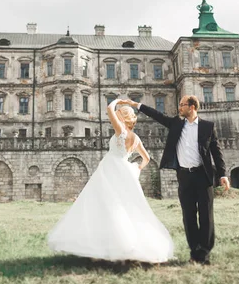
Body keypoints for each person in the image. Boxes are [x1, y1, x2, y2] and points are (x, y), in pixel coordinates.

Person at [47, 99, 174, 263]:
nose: (117, 115)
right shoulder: (135, 138)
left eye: (120, 114)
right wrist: (137, 168)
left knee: (102, 203)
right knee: (122, 205)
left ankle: (101, 245)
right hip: (124, 169)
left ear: (123, 117)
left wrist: (117, 102)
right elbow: (147, 158)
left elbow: (108, 108)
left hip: (110, 167)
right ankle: (122, 245)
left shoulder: (120, 129)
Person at [125, 95, 230, 265]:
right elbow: (157, 115)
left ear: (192, 107)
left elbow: (216, 152)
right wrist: (137, 105)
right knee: (188, 216)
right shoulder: (176, 124)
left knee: (206, 216)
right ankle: (194, 250)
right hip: (184, 176)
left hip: (203, 176)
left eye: (182, 105)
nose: (179, 107)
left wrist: (223, 174)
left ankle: (204, 253)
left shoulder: (207, 127)